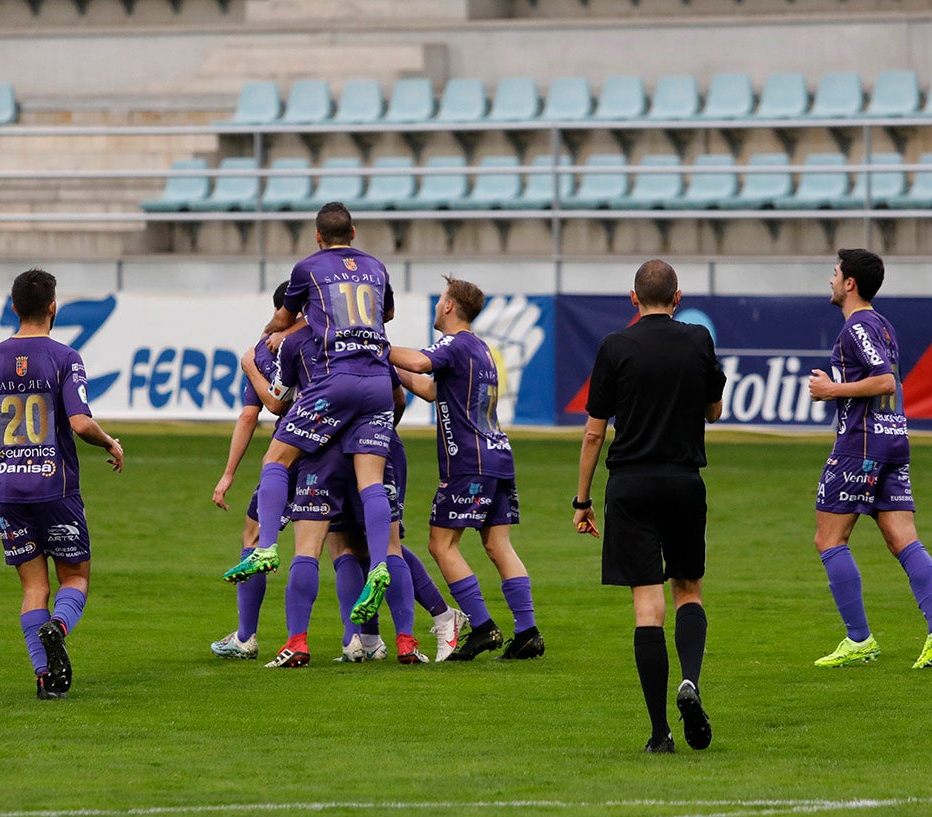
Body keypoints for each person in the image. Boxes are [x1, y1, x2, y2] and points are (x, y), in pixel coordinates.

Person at [223, 202, 423, 663]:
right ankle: (378, 570)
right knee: (372, 487)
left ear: (317, 236)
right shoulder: (375, 265)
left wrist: (272, 336)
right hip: (377, 380)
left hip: (336, 385)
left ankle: (267, 548)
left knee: (276, 462)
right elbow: (385, 315)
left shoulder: (307, 272)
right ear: (353, 231)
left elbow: (282, 330)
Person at [572, 259, 725, 754]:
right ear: (677, 298)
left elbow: (595, 431)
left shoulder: (614, 346)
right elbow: (714, 410)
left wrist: (582, 500)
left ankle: (660, 733)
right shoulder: (699, 340)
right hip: (683, 480)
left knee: (647, 607)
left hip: (630, 484)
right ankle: (692, 683)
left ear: (632, 298)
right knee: (689, 589)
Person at [0, 269, 125, 700]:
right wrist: (110, 443)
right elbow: (80, 422)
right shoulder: (65, 357)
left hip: (8, 492)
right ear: (53, 307)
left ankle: (44, 677)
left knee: (34, 586)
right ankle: (60, 626)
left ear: (14, 307)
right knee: (75, 578)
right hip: (58, 490)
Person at [806, 248, 932, 670]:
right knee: (902, 538)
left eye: (835, 273)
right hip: (893, 437)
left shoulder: (856, 327)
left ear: (850, 282)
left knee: (829, 538)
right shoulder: (883, 324)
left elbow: (886, 379)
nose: (831, 280)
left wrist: (831, 391)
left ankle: (860, 640)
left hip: (863, 444)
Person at [389, 276, 543, 662]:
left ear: (450, 307)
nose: (438, 305)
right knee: (497, 543)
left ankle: (482, 626)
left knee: (441, 544)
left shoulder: (453, 344)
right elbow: (429, 388)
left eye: (441, 299)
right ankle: (527, 632)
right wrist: (390, 366)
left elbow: (422, 362)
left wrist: (376, 345)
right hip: (498, 456)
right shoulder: (481, 349)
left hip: (468, 462)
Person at [208, 285, 288, 660]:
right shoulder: (332, 340)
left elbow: (258, 409)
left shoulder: (264, 353)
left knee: (256, 535)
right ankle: (365, 641)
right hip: (348, 451)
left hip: (292, 454)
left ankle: (245, 638)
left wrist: (228, 475)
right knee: (356, 539)